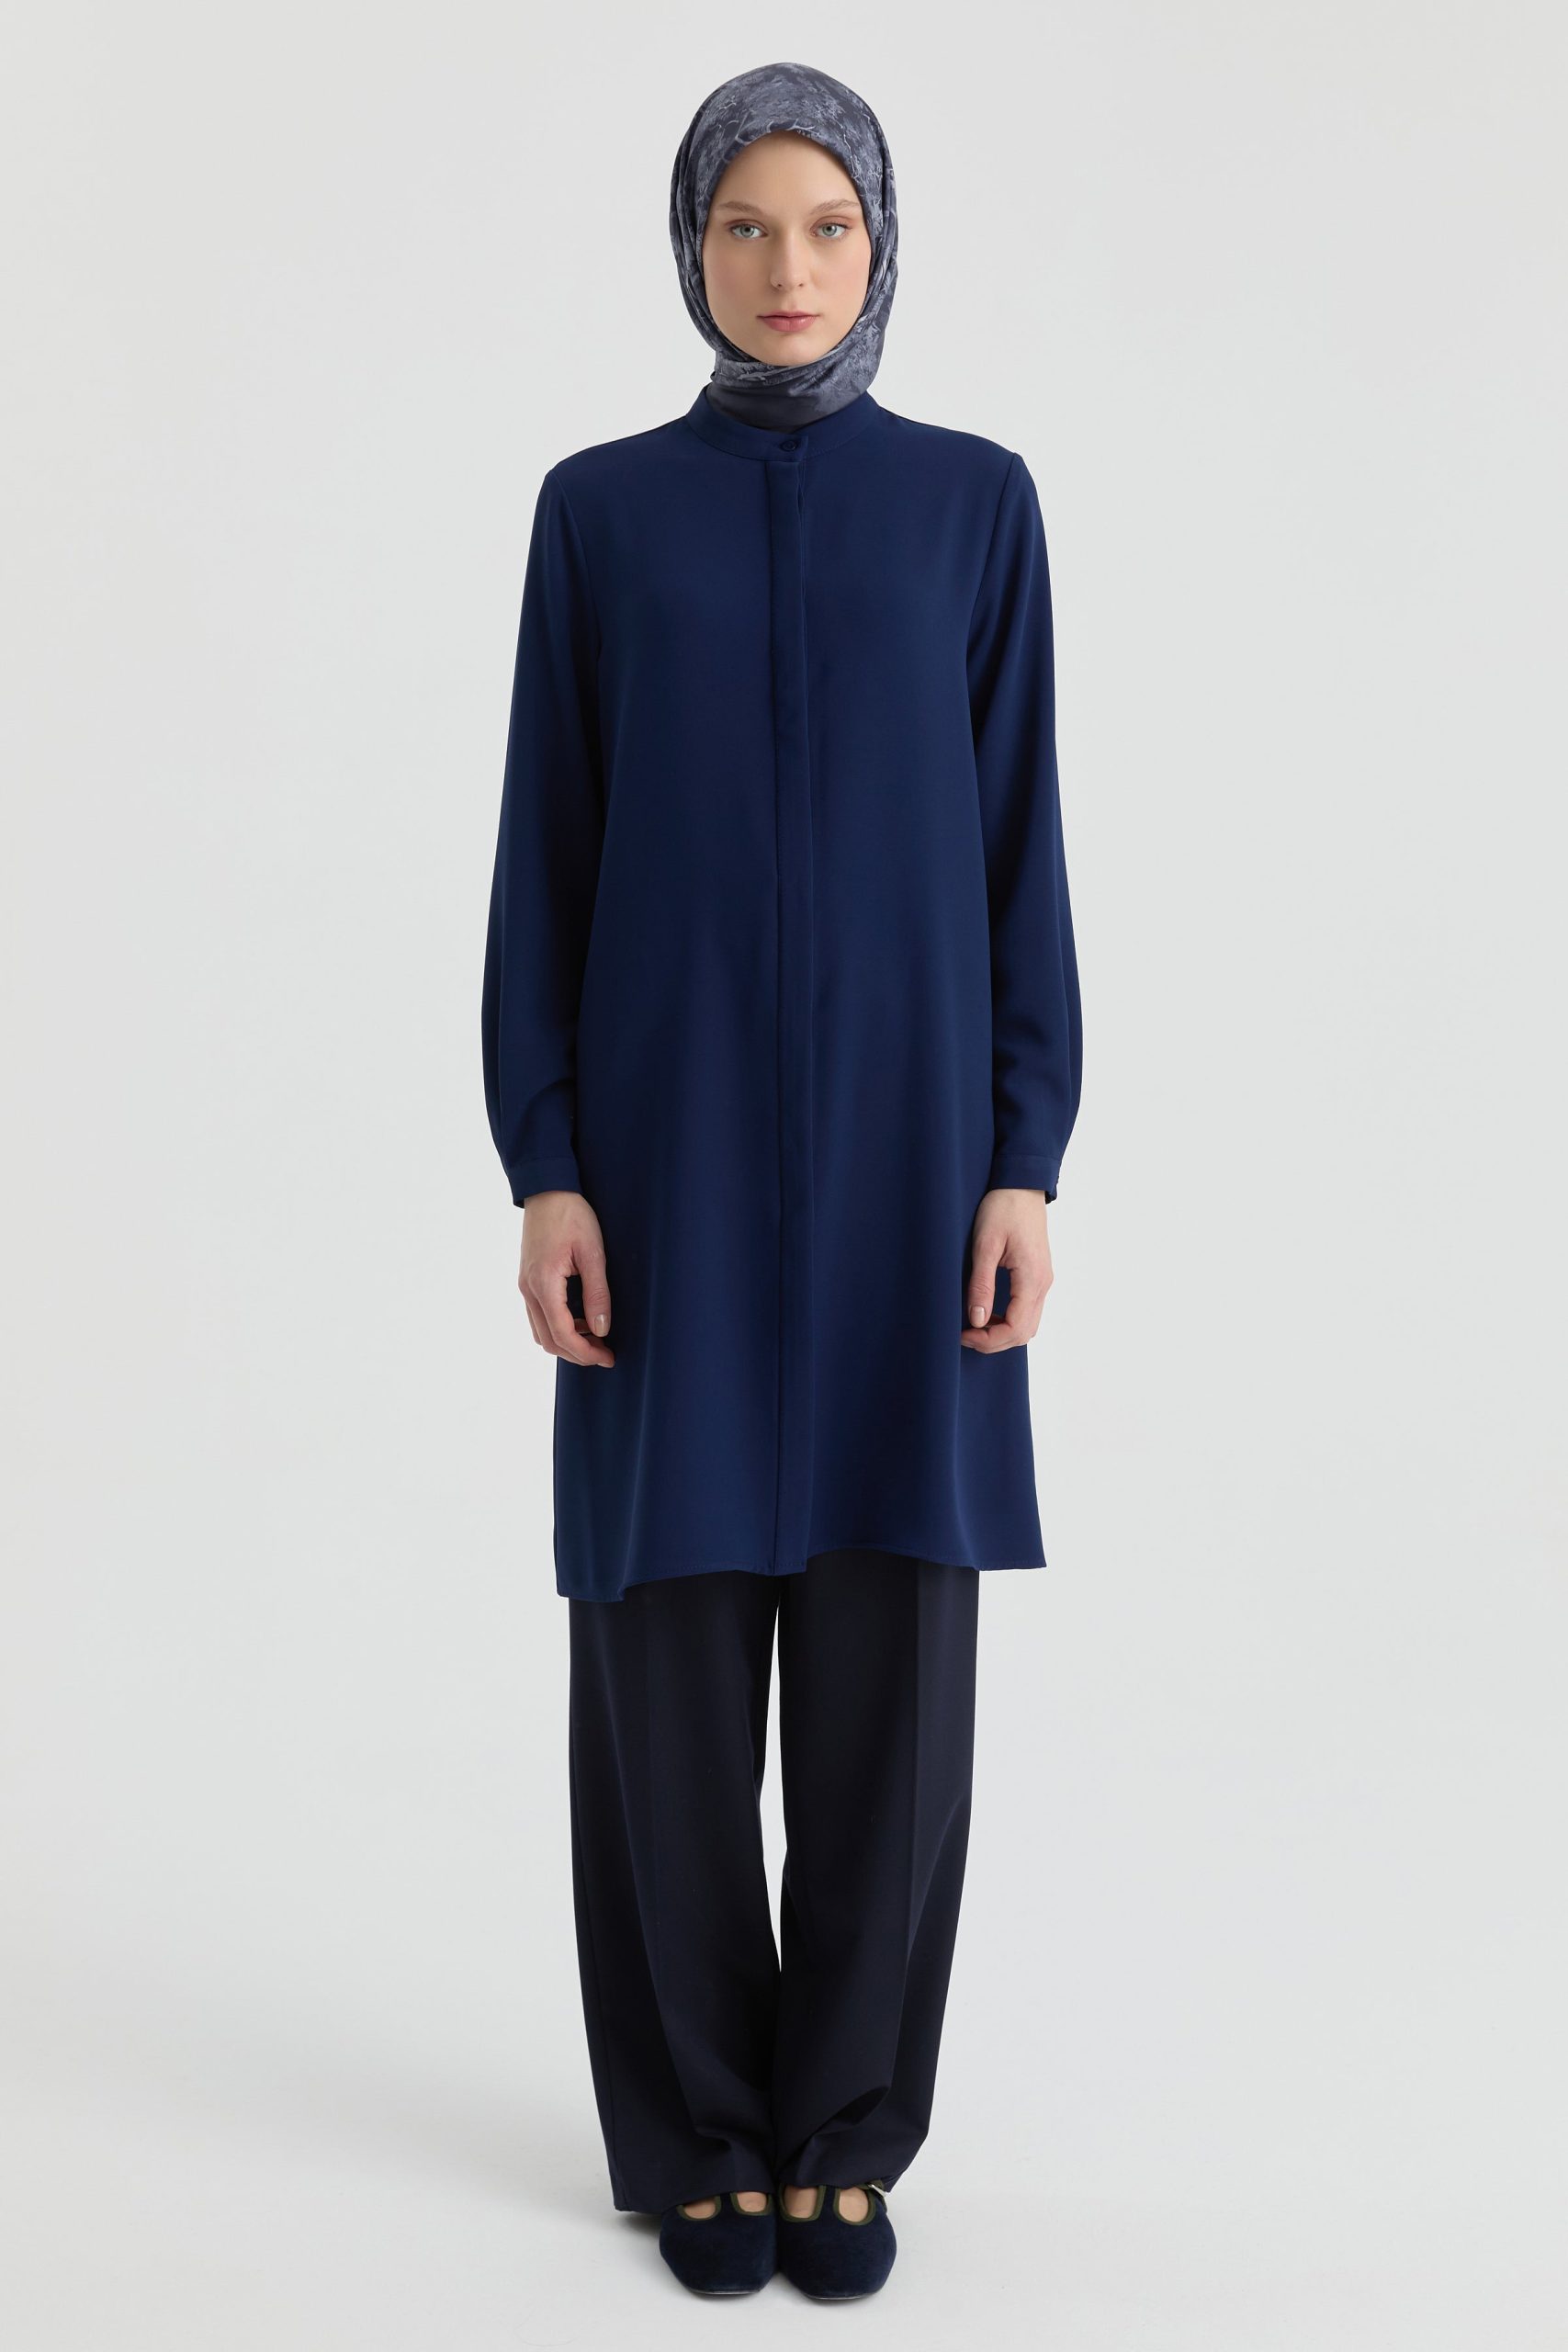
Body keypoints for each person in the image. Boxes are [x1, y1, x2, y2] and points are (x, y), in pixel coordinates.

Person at [481, 60, 1083, 2300]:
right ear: (689, 248)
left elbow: (1019, 849)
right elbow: (544, 857)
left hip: (915, 1186)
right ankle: (694, 2130)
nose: (786, 267)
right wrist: (547, 1161)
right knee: (657, 1666)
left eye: (825, 225)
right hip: (661, 1184)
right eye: (742, 226)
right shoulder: (597, 515)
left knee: (888, 1671)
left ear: (881, 243)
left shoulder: (972, 508)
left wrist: (1023, 1150)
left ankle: (842, 2122)